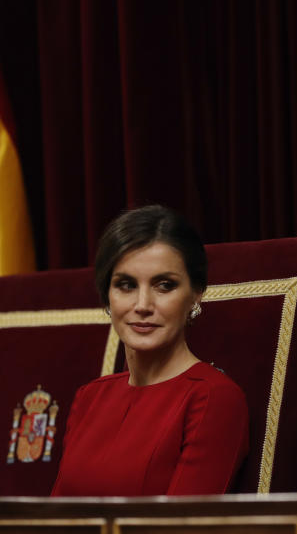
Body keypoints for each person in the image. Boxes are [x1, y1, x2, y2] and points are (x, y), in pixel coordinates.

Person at [51, 205, 249, 496]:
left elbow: (178, 533)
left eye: (164, 285)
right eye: (126, 285)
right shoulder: (89, 397)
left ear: (196, 294)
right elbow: (55, 518)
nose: (142, 305)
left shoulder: (214, 399)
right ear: (107, 296)